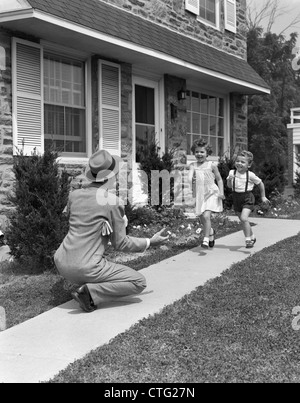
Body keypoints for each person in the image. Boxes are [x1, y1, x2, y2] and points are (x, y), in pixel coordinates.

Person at [54, 149, 169, 313]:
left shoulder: (74, 195)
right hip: (86, 267)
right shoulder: (112, 202)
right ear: (110, 177)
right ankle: (90, 293)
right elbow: (121, 243)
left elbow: (81, 223)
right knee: (138, 282)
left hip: (61, 261)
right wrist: (151, 241)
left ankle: (84, 285)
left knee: (89, 266)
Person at [227, 150, 269, 248]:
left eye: (242, 162)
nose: (239, 163)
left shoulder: (250, 175)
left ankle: (248, 240)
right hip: (236, 198)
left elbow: (260, 183)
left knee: (244, 218)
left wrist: (263, 196)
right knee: (243, 221)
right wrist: (229, 179)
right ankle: (252, 236)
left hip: (247, 198)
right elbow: (229, 186)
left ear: (248, 165)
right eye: (237, 161)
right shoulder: (232, 172)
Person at [188, 138, 225, 249]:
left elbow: (219, 179)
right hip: (200, 194)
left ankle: (205, 239)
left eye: (202, 152)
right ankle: (211, 232)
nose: (199, 154)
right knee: (202, 218)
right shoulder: (193, 165)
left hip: (211, 192)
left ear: (207, 153)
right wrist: (191, 182)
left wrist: (221, 192)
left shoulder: (211, 165)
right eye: (197, 152)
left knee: (206, 215)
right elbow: (190, 178)